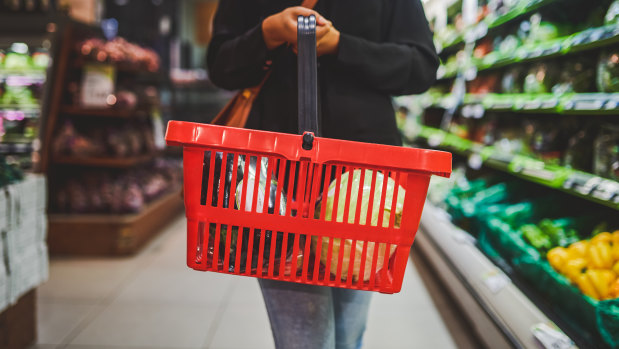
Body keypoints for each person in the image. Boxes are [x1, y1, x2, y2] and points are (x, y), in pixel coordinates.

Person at [206, 1, 438, 348]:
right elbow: (220, 65)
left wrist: (343, 47)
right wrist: (266, 34)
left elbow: (421, 66)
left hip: (366, 187)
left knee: (348, 334)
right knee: (303, 341)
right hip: (274, 183)